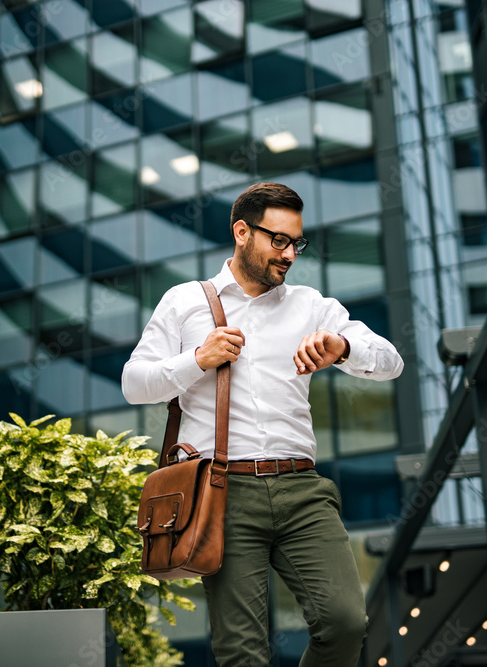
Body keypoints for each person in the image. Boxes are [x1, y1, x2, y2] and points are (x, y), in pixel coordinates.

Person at [121, 182, 404, 666]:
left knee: (345, 623)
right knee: (241, 651)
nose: (289, 253)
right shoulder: (185, 301)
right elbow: (134, 383)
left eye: (296, 243)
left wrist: (344, 348)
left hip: (301, 489)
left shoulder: (312, 306)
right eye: (278, 240)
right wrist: (197, 359)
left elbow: (391, 361)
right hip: (223, 492)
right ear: (241, 232)